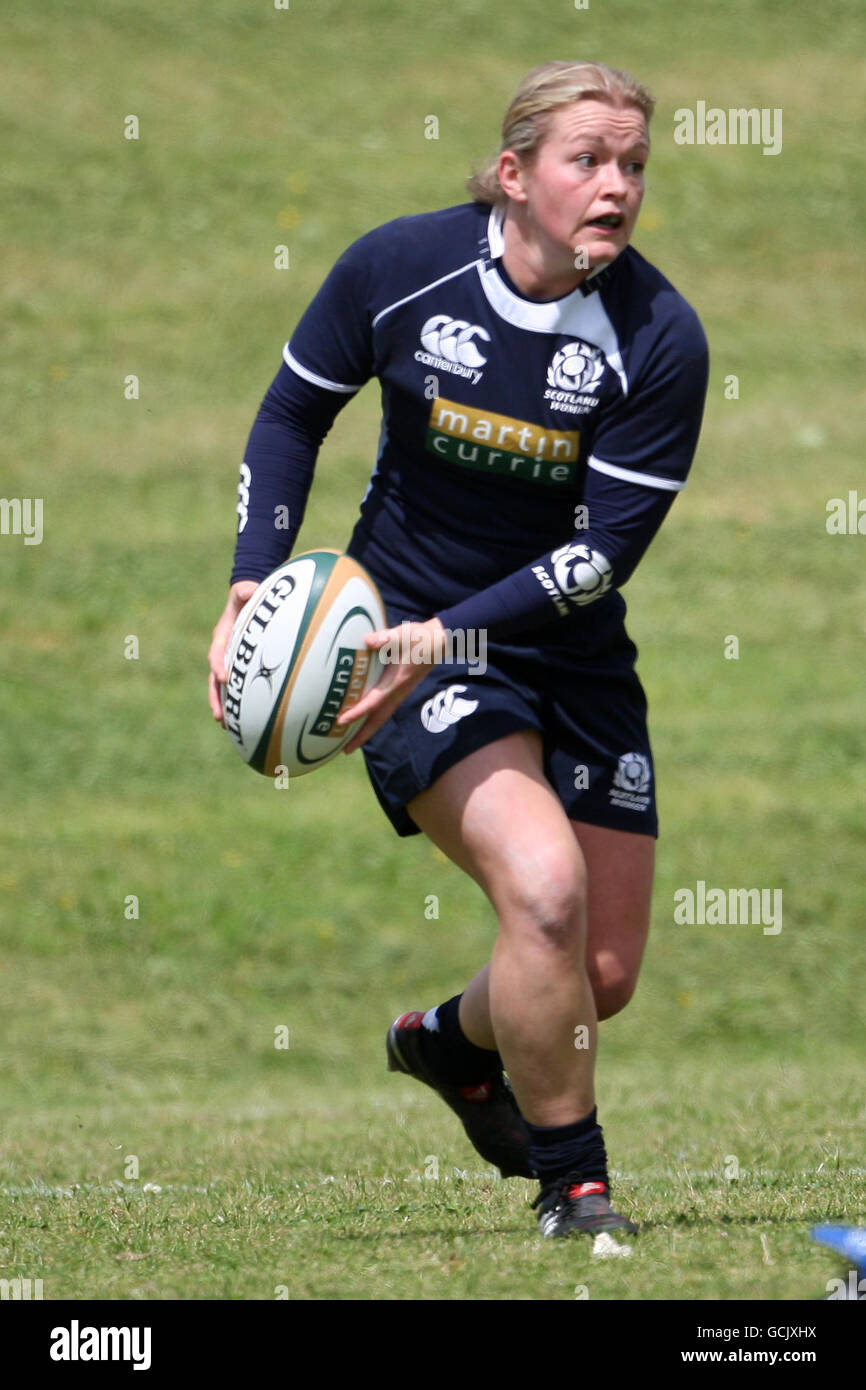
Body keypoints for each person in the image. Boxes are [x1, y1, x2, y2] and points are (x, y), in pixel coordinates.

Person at [208, 60, 709, 1242]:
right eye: (586, 159)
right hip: (401, 650)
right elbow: (291, 413)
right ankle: (574, 1188)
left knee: (596, 975)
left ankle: (444, 1042)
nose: (615, 187)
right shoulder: (397, 270)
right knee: (539, 893)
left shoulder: (658, 339)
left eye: (632, 165)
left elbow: (594, 560)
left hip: (562, 650)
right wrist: (248, 581)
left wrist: (460, 629)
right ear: (512, 172)